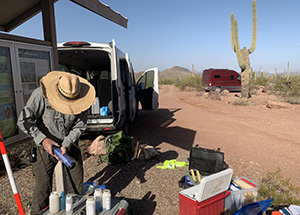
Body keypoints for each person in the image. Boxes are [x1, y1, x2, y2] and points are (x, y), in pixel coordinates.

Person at [17, 71, 95, 214]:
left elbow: (79, 126)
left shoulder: (82, 97)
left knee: (76, 184)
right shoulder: (40, 94)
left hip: (68, 144)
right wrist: (44, 140)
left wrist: (66, 143)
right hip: (44, 146)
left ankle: (74, 210)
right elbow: (24, 121)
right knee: (42, 188)